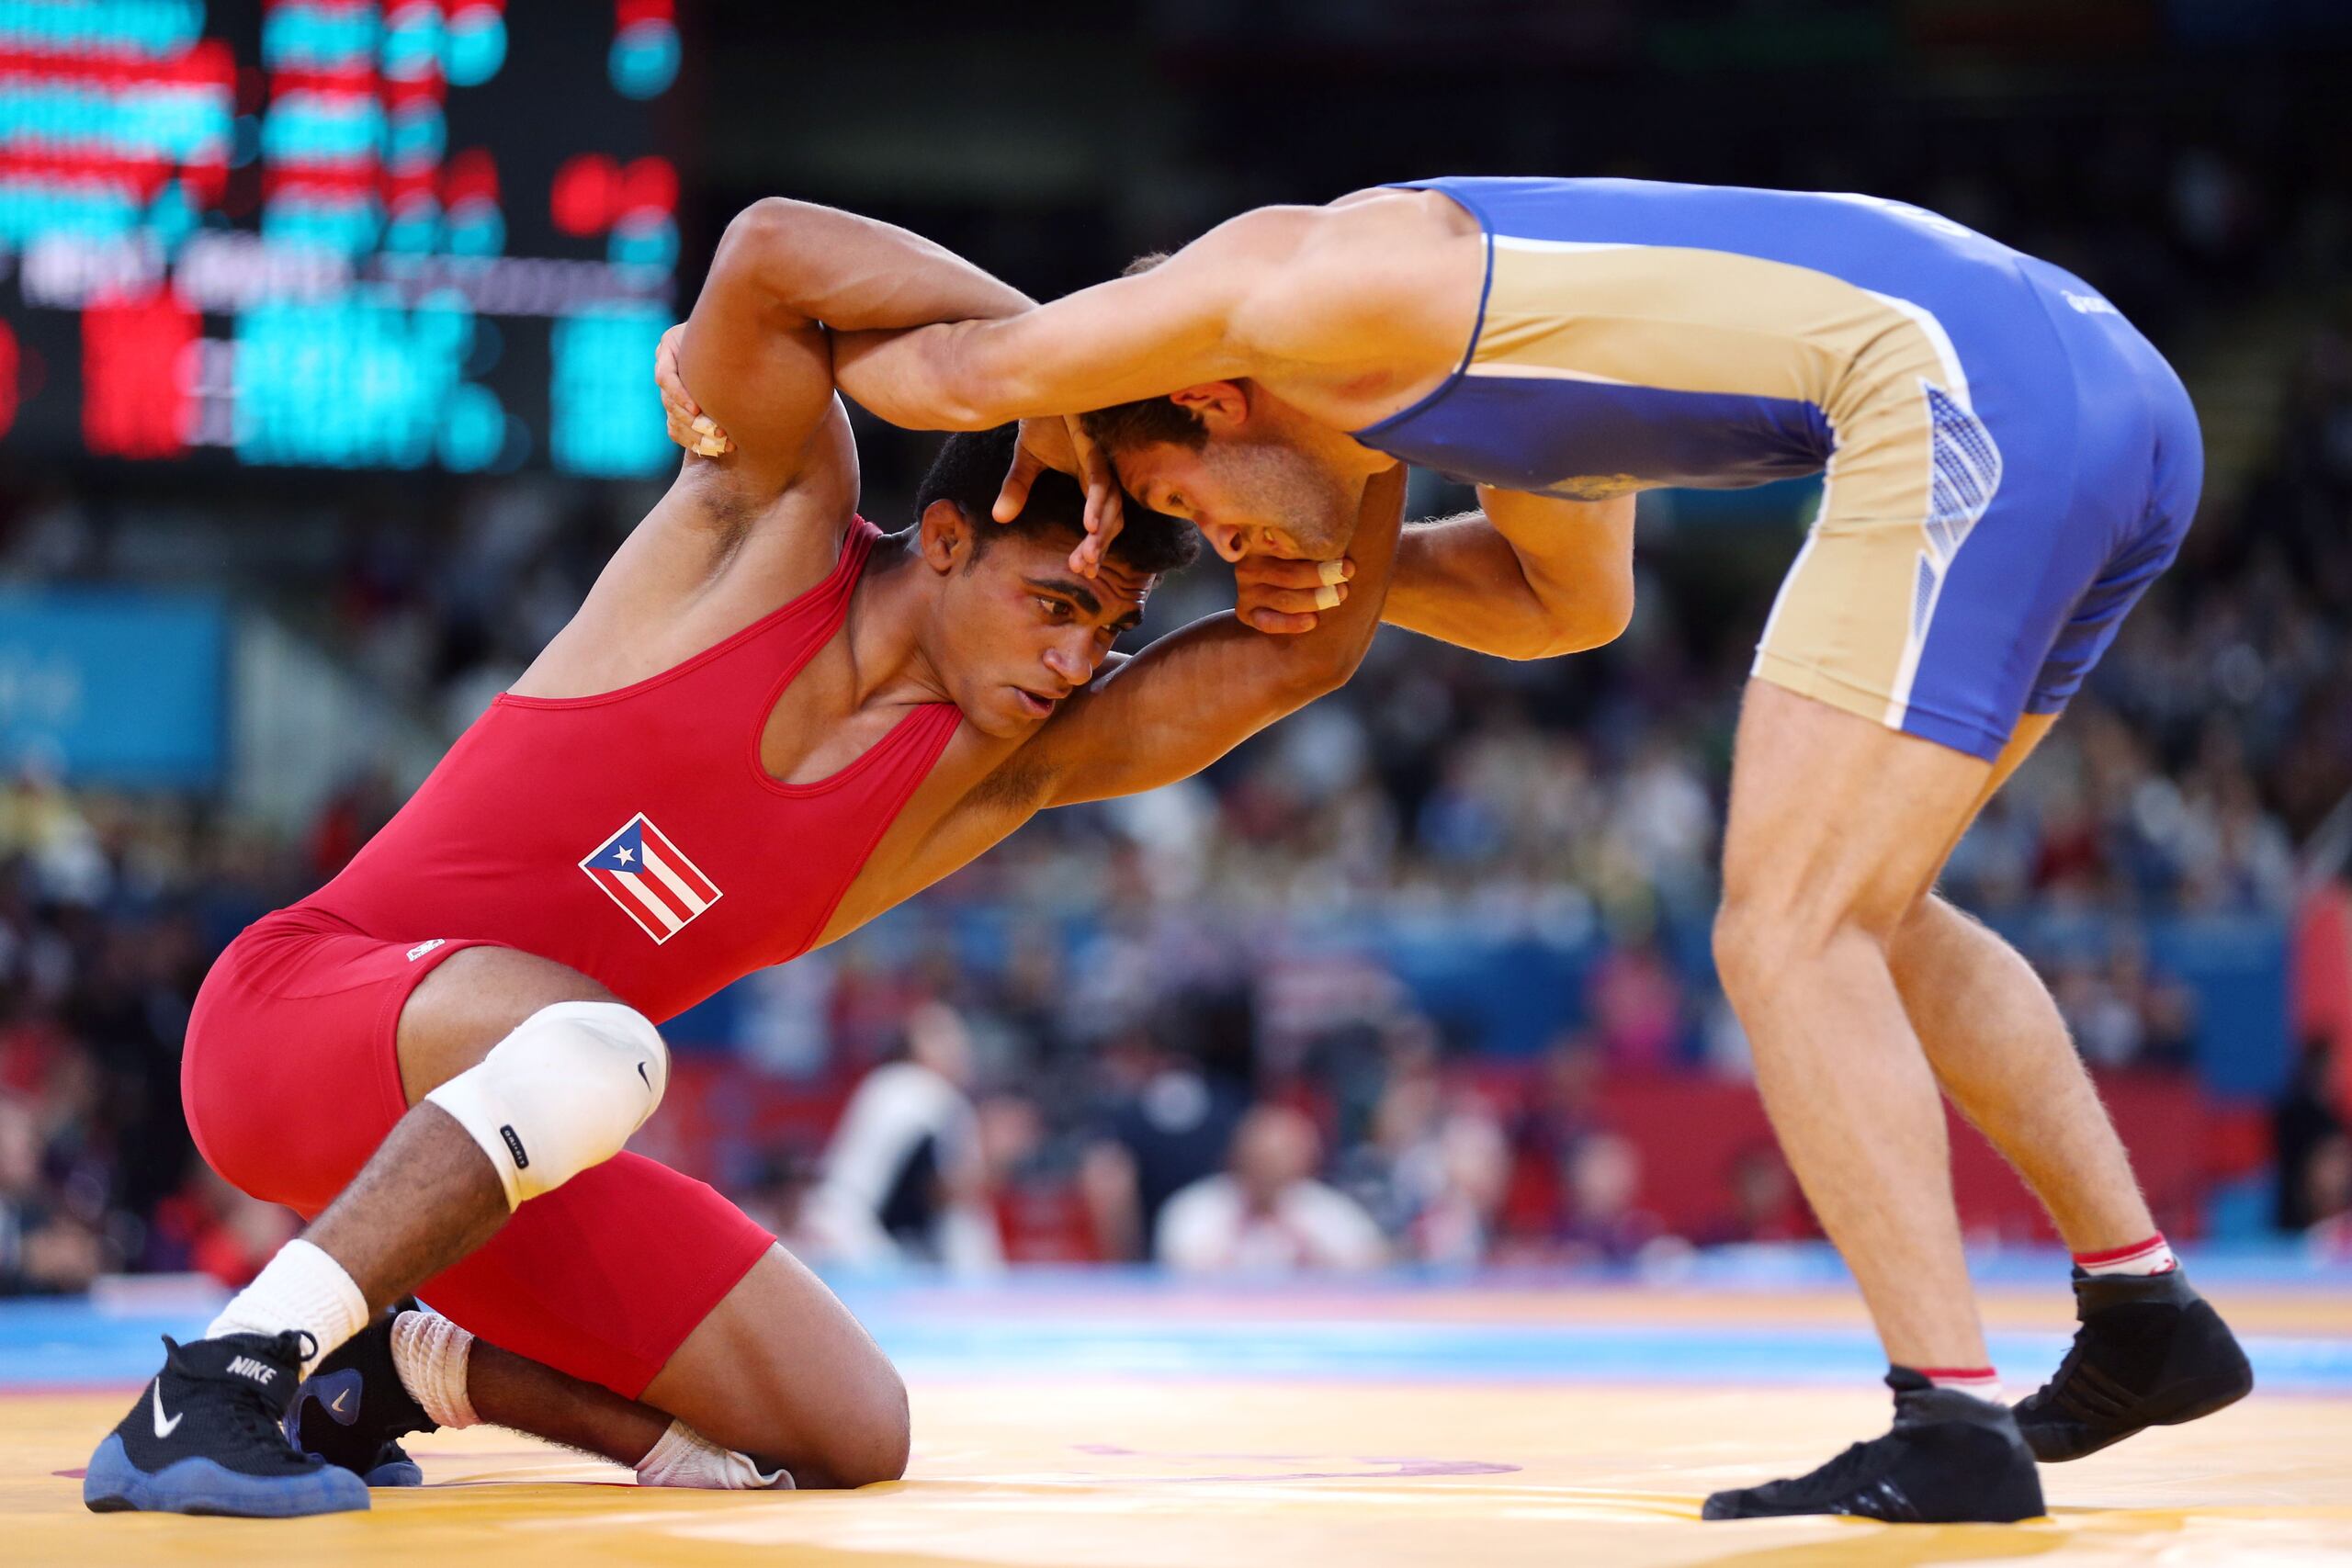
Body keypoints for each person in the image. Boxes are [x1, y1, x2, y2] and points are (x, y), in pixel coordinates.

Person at [810, 176, 2254, 1523]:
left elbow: (967, 371)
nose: (1210, 538)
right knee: (1879, 909)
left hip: (1965, 389)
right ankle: (2146, 1317)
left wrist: (769, 349)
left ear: (1204, 386)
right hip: (2107, 391)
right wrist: (1359, 572)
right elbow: (1565, 609)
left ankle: (1951, 1424)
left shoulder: (1311, 282)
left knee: (1783, 929)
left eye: (1188, 502)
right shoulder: (1498, 378)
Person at [85, 196, 1406, 1517]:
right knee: (605, 1050)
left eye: (1104, 634)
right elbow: (772, 253)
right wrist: (1071, 369)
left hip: (474, 1159)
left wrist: (1410, 417)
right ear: (944, 542)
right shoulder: (770, 522)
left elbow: (1311, 650)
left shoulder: (992, 773)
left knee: (851, 1431)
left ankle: (389, 1370)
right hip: (295, 1020)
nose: (1073, 664)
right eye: (1056, 604)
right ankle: (206, 1390)